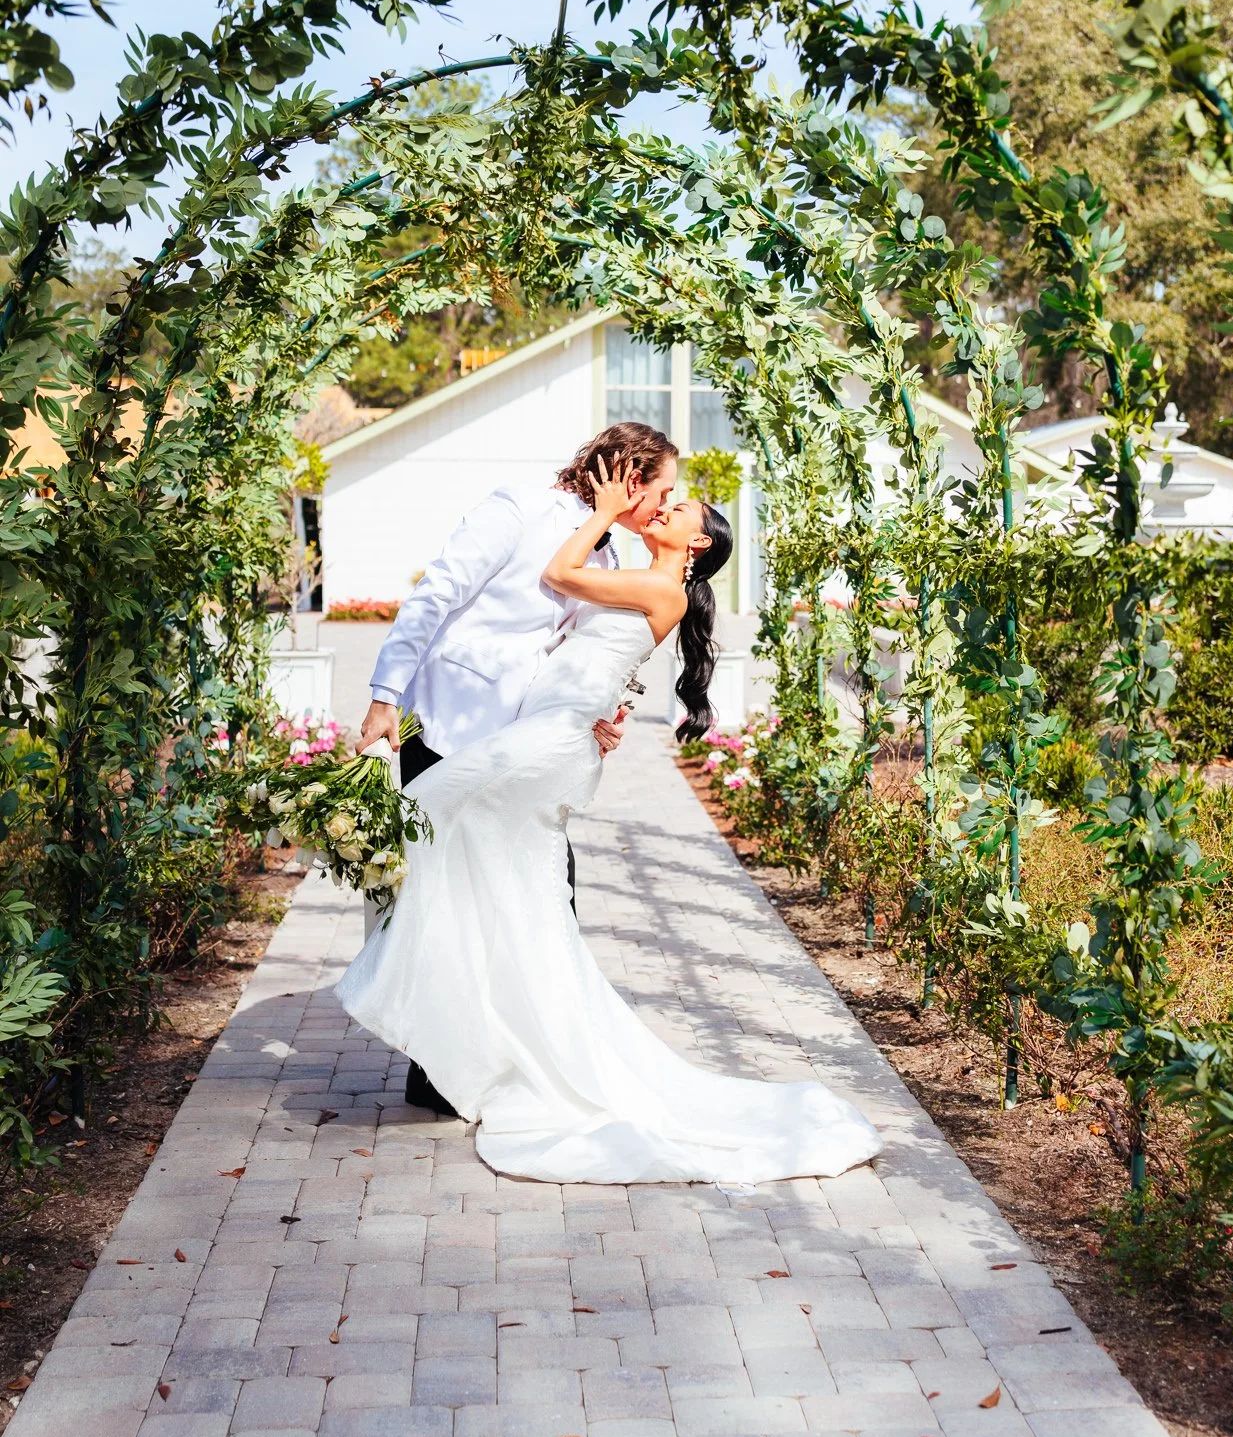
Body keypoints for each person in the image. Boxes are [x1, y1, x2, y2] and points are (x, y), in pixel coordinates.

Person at [337, 455, 882, 1187]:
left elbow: (562, 576)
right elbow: (573, 643)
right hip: (543, 731)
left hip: (544, 742)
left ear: (694, 545)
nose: (664, 506)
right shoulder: (632, 567)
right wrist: (606, 708)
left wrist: (599, 511)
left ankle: (473, 1039)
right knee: (504, 892)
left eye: (677, 507)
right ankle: (482, 1048)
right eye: (663, 493)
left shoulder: (656, 583)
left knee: (438, 840)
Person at [356, 421, 679, 1112]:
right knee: (440, 896)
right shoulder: (517, 509)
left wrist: (599, 712)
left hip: (525, 740)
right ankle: (437, 1069)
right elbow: (434, 597)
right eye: (663, 488)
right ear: (628, 475)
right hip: (445, 722)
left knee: (522, 894)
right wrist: (386, 696)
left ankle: (498, 1052)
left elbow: (585, 651)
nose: (664, 504)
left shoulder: (613, 545)